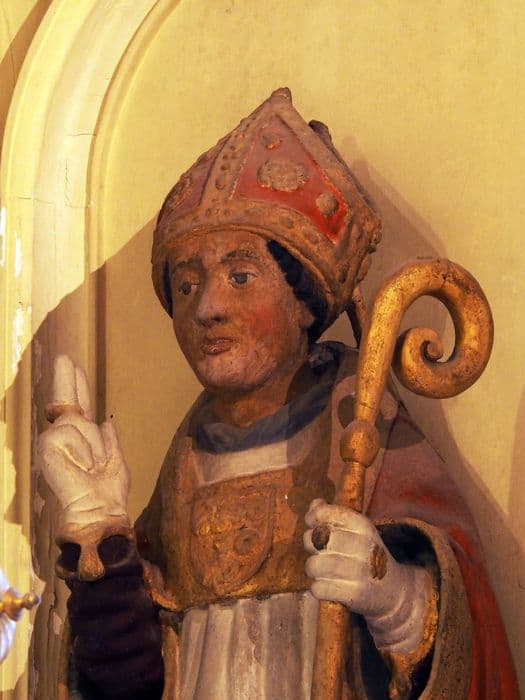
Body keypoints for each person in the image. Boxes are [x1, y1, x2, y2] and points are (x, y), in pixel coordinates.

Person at [38, 88, 519, 699]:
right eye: (186, 286)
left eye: (241, 276)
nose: (207, 308)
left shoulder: (368, 449)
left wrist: (394, 597)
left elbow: (466, 643)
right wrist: (100, 534)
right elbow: (127, 682)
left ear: (304, 301)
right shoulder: (181, 477)